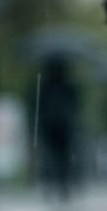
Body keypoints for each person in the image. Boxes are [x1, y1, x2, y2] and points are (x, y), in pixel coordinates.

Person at [35, 55, 80, 199]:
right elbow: (76, 103)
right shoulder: (68, 83)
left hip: (49, 125)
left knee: (52, 155)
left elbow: (37, 105)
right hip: (65, 125)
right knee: (64, 155)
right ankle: (64, 182)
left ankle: (53, 182)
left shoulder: (43, 84)